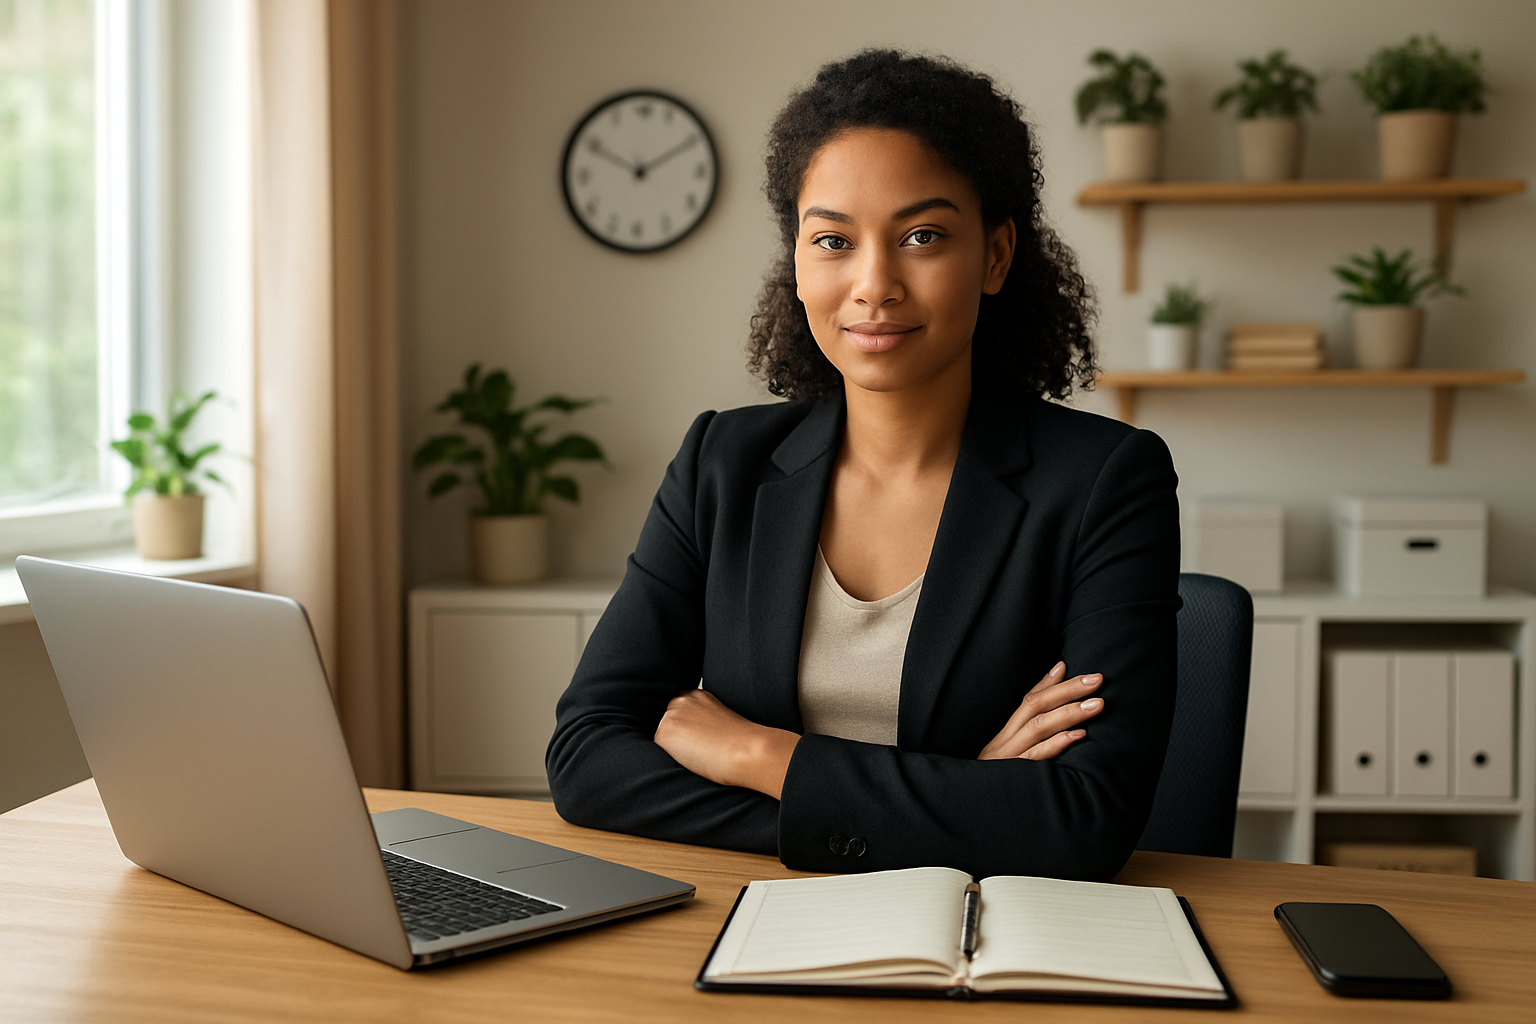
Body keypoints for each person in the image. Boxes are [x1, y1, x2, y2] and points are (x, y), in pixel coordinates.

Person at [546, 50, 1180, 881]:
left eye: (922, 236)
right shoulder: (721, 463)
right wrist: (969, 800)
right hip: (754, 922)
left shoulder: (1108, 480)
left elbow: (1084, 820)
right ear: (799, 264)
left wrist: (757, 754)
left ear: (994, 256)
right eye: (833, 241)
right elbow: (588, 758)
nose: (873, 284)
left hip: (980, 946)